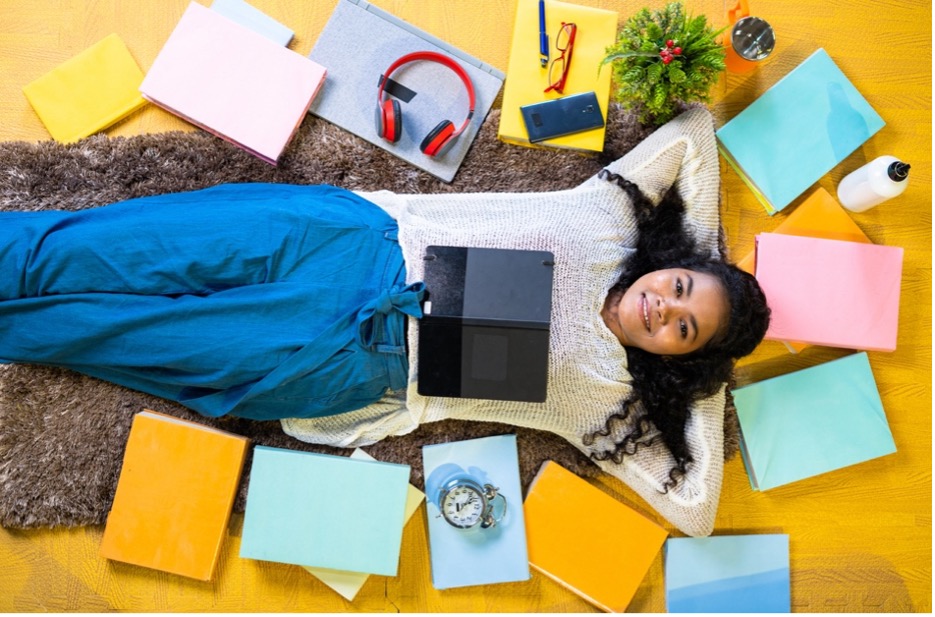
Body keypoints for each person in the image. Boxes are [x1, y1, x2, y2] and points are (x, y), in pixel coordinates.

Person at [0, 108, 768, 535]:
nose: (664, 307)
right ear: (671, 260)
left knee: (108, 333)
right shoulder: (605, 218)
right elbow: (693, 135)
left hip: (348, 363)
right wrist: (712, 262)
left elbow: (695, 508)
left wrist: (696, 383)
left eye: (682, 329)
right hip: (343, 241)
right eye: (678, 286)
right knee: (102, 248)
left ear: (676, 357)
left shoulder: (602, 401)